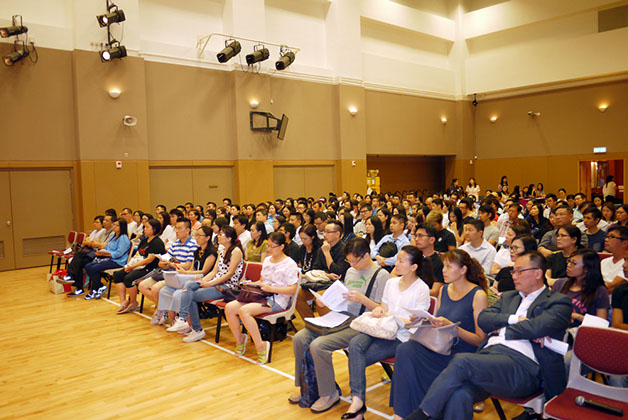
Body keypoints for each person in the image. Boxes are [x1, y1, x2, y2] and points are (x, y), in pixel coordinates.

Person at [406, 251, 572, 420]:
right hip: (488, 359)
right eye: (513, 271)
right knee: (459, 395)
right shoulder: (509, 297)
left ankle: (419, 416)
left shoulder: (558, 302)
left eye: (519, 271)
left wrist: (502, 329)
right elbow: (484, 319)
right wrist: (513, 320)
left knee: (462, 361)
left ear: (538, 273)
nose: (514, 276)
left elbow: (536, 328)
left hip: (523, 368)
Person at [290, 237, 392, 410]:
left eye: (354, 261)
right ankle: (306, 388)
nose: (351, 265)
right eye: (348, 261)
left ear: (366, 256)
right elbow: (343, 296)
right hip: (341, 317)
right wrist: (326, 301)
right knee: (299, 338)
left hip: (363, 322)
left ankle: (328, 394)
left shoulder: (382, 276)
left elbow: (382, 310)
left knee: (319, 345)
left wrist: (362, 299)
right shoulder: (351, 271)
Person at [390, 249, 489, 419]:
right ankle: (402, 413)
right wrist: (424, 319)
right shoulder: (444, 290)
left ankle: (423, 412)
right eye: (443, 266)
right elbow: (438, 324)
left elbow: (480, 340)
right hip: (441, 346)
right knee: (405, 349)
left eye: (449, 266)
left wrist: (453, 327)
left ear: (463, 270)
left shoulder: (478, 295)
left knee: (412, 356)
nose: (443, 270)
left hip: (462, 355)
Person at [343, 246, 431, 419]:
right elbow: (383, 308)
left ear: (413, 267)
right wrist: (379, 311)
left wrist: (391, 316)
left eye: (401, 261)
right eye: (397, 259)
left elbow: (415, 325)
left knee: (357, 357)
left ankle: (358, 405)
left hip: (401, 337)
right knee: (354, 344)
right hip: (381, 329)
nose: (396, 264)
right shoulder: (391, 282)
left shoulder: (422, 289)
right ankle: (357, 401)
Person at [224, 232, 299, 364]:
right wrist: (250, 284)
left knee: (244, 311)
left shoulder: (289, 264)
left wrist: (272, 289)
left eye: (272, 247)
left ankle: (261, 345)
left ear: (281, 247)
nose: (269, 249)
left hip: (277, 299)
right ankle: (240, 339)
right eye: (268, 246)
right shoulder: (267, 260)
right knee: (230, 307)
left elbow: (293, 289)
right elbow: (262, 281)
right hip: (262, 294)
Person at [167, 226, 244, 342]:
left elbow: (229, 274)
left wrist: (209, 283)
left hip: (226, 286)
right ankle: (183, 319)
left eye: (221, 235)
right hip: (215, 282)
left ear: (229, 238)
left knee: (191, 296)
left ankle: (196, 329)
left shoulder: (236, 251)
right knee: (189, 285)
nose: (218, 236)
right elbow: (214, 272)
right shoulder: (222, 251)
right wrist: (204, 281)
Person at [159, 225, 218, 325]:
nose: (197, 238)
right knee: (164, 290)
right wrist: (183, 272)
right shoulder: (197, 251)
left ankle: (186, 322)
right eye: (196, 235)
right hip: (192, 277)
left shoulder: (212, 252)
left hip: (203, 279)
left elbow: (204, 271)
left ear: (207, 238)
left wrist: (186, 273)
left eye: (200, 235)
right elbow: (191, 269)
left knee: (178, 293)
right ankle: (173, 320)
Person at [143, 218, 198, 326]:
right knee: (142, 285)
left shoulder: (193, 245)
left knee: (156, 288)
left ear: (188, 230)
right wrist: (161, 263)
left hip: (180, 275)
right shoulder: (176, 243)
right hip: (168, 272)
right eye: (176, 229)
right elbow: (165, 257)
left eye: (180, 229)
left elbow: (187, 266)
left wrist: (170, 264)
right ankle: (162, 308)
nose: (177, 231)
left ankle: (163, 311)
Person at [552, 249, 610, 327]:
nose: (569, 265)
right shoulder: (560, 284)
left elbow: (602, 324)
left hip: (580, 331)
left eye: (574, 263)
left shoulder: (600, 291)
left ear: (586, 268)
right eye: (569, 261)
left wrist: (578, 317)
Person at [62, 215, 115, 295]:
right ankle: (79, 288)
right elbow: (94, 243)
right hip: (96, 253)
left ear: (112, 223)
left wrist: (96, 244)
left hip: (103, 255)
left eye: (107, 221)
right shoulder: (104, 232)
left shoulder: (112, 233)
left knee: (78, 255)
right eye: (104, 220)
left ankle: (71, 276)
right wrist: (96, 244)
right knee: (79, 262)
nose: (104, 222)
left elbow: (103, 246)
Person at [84, 218, 131, 300]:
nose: (114, 227)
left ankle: (94, 290)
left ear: (122, 227)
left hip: (117, 261)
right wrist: (102, 252)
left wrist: (106, 254)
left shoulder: (123, 238)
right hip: (108, 258)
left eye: (116, 225)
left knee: (94, 268)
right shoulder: (113, 236)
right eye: (114, 225)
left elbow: (118, 253)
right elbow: (108, 247)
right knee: (88, 266)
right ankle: (100, 286)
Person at [413, 223, 445, 297]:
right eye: (416, 236)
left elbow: (435, 292)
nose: (416, 239)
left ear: (432, 240)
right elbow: (394, 274)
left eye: (420, 236)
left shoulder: (439, 262)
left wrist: (411, 289)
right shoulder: (413, 256)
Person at [601, 226, 628, 292]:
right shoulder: (604, 262)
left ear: (625, 243)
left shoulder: (626, 264)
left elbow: (612, 287)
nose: (606, 240)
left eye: (612, 237)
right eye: (607, 237)